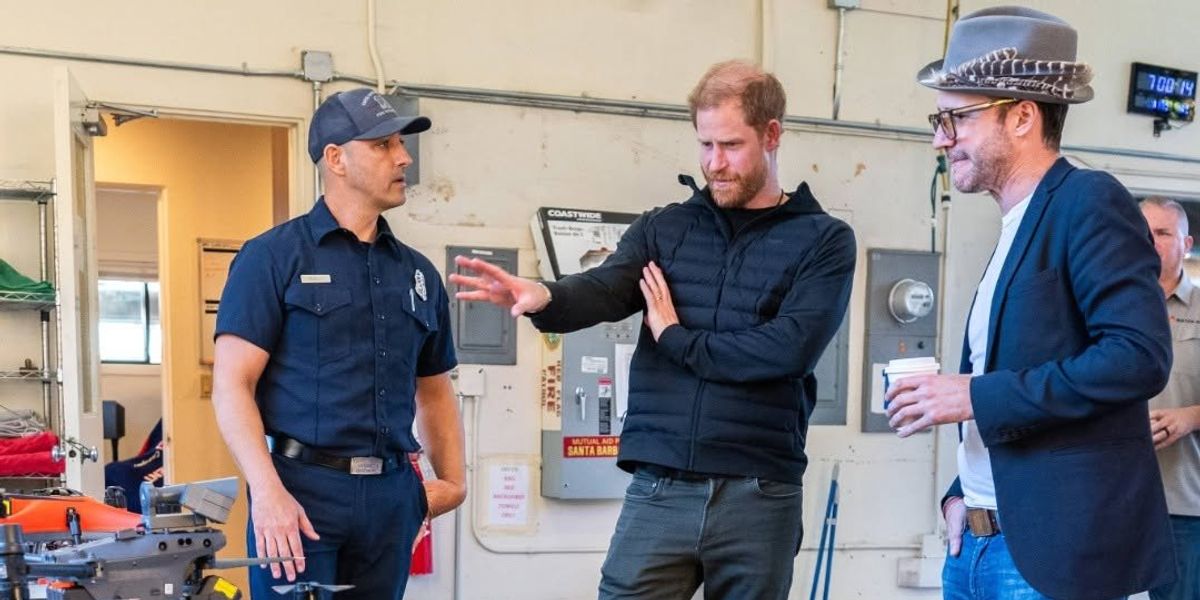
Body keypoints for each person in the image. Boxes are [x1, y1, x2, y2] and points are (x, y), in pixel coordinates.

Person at [451, 60, 856, 600]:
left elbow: (787, 350)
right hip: (660, 485)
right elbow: (605, 287)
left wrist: (675, 339)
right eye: (705, 145)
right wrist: (544, 295)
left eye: (731, 145)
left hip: (759, 492)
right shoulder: (665, 228)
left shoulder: (823, 240)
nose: (716, 163)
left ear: (773, 134)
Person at [884, 7, 1176, 599]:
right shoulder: (1017, 225)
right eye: (940, 119)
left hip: (1051, 559)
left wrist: (972, 394)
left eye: (957, 118)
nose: (942, 138)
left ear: (1021, 116)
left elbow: (1137, 356)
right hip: (978, 543)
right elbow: (1018, 374)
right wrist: (960, 493)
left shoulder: (1090, 201)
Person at [211, 88, 466, 600]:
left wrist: (454, 483)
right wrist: (266, 493)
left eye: (401, 144)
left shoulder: (418, 274)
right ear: (336, 159)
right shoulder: (272, 257)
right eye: (383, 145)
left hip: (393, 495)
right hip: (300, 495)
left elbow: (434, 391)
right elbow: (232, 386)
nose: (404, 158)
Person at [1141, 196, 1200, 600]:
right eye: (1142, 233)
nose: (1150, 241)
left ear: (1187, 243)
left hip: (1182, 501)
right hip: (1111, 499)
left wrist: (1192, 417)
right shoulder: (1105, 308)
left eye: (1162, 233)